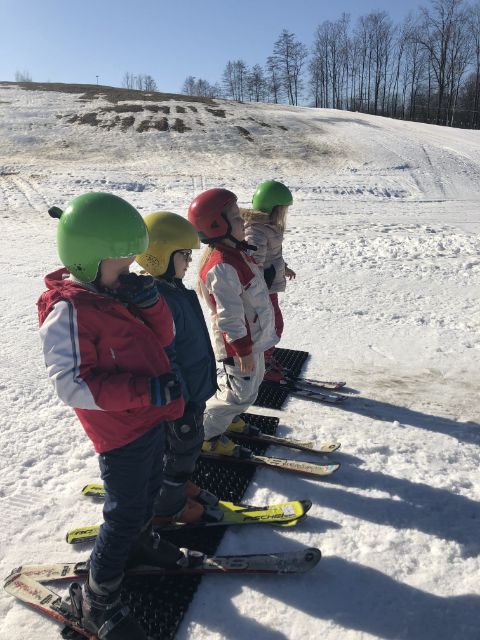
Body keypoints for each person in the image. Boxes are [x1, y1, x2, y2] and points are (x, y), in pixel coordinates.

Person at [37, 192, 200, 640]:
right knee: (124, 513)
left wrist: (149, 302)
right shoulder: (68, 311)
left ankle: (141, 544)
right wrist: (144, 391)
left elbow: (164, 335)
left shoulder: (116, 292)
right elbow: (71, 383)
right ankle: (97, 597)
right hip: (119, 433)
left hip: (149, 419)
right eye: (122, 263)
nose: (130, 270)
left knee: (148, 494)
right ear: (88, 259)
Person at [136, 211, 219, 524]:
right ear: (160, 256)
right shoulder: (160, 300)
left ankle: (179, 485)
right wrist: (179, 400)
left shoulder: (173, 289)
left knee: (188, 446)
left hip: (192, 390)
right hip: (180, 398)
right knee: (179, 452)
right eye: (184, 254)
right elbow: (164, 357)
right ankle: (167, 507)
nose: (189, 261)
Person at [188, 188, 279, 457]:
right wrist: (242, 350)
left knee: (251, 387)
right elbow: (229, 316)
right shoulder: (222, 266)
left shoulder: (238, 252)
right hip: (238, 347)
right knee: (238, 395)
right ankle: (204, 435)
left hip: (253, 341)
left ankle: (229, 419)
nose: (244, 222)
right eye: (237, 218)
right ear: (218, 226)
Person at [243, 180, 296, 373]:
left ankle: (265, 358)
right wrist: (259, 289)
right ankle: (263, 365)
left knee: (273, 325)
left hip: (269, 287)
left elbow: (272, 256)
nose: (285, 214)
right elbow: (253, 263)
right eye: (283, 210)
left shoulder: (267, 227)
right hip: (262, 290)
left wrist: (283, 268)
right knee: (271, 327)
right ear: (274, 209)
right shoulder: (256, 231)